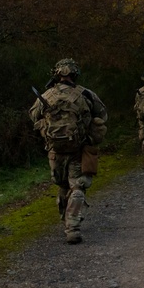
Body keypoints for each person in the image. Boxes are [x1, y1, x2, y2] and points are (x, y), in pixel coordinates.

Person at [29, 58, 109, 244]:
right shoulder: (86, 94)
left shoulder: (46, 95)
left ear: (56, 74)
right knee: (78, 186)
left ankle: (65, 218)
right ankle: (72, 227)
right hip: (79, 149)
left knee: (63, 185)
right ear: (75, 74)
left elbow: (33, 115)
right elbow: (103, 115)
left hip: (54, 151)